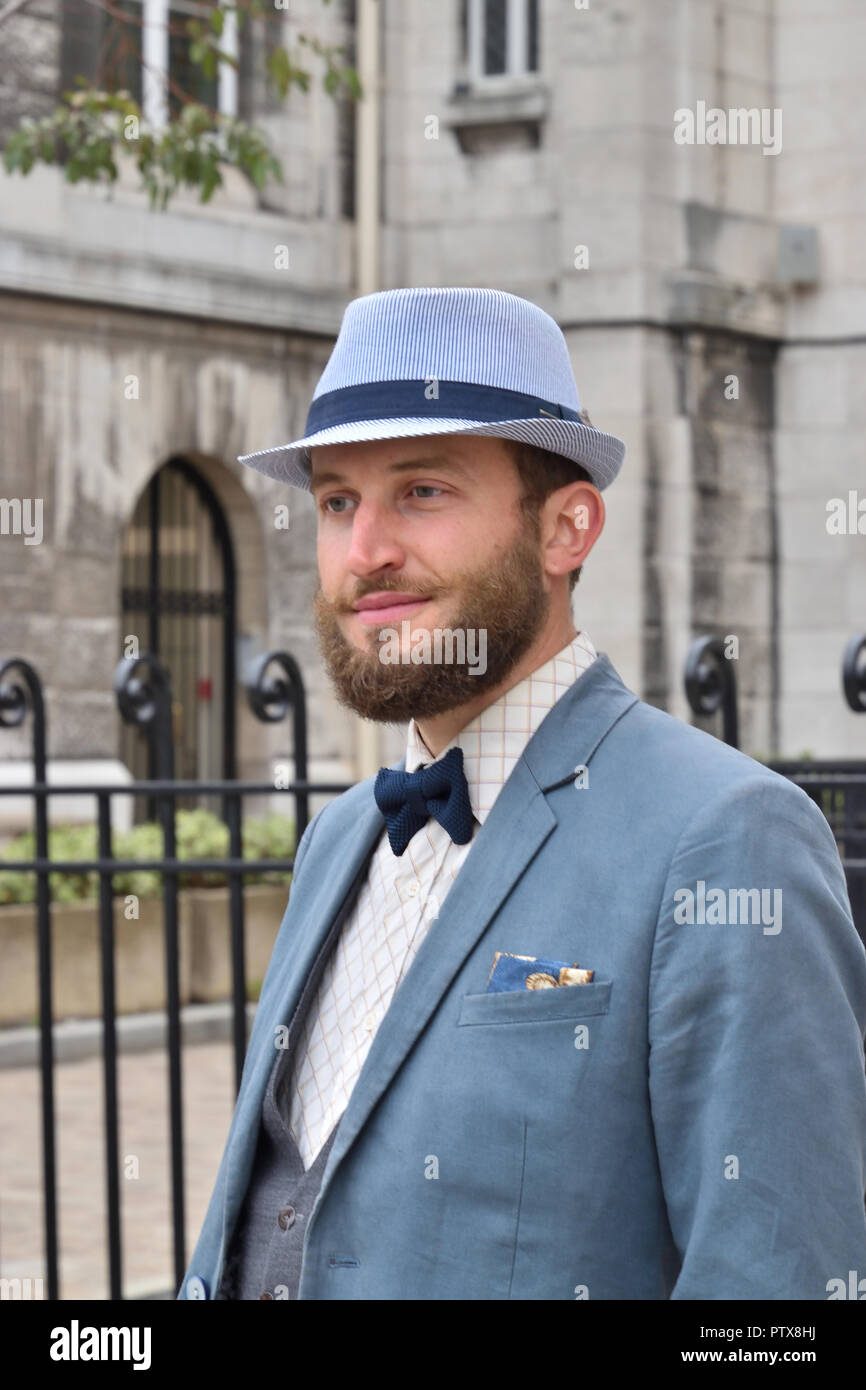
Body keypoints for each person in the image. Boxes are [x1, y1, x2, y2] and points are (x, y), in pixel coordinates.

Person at [180, 286, 866, 1301]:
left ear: (566, 529)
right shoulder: (337, 838)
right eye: (336, 501)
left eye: (421, 491)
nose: (365, 551)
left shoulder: (728, 837)